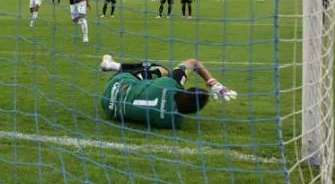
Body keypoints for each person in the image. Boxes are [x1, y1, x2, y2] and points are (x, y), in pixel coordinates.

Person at [98, 54, 237, 129]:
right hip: (109, 108)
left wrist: (213, 83)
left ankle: (112, 66)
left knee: (161, 70)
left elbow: (193, 62)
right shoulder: (172, 123)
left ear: (185, 89)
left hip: (117, 84)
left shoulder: (170, 83)